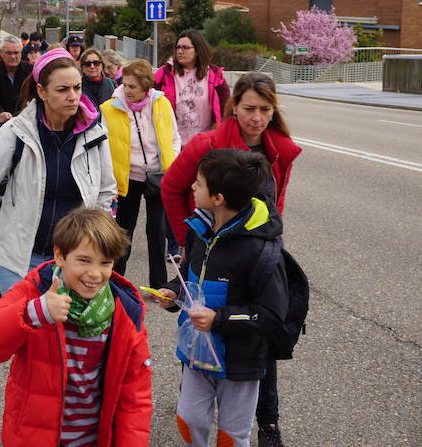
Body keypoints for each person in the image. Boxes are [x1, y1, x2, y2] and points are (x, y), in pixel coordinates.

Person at [161, 72, 301, 447]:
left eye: (265, 109)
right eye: (249, 108)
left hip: (252, 245)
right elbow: (173, 188)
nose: (257, 117)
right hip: (211, 240)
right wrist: (189, 239)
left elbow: (275, 203)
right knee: (202, 339)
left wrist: (268, 235)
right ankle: (197, 393)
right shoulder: (209, 148)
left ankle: (267, 421)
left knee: (254, 350)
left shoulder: (277, 148)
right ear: (234, 107)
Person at [0, 208, 152, 447]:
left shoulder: (124, 313)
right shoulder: (35, 291)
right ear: (60, 255)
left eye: (105, 263)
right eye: (84, 260)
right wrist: (36, 312)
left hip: (92, 439)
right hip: (33, 436)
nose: (95, 274)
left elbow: (135, 395)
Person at [0, 48, 115, 293]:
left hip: (75, 263)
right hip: (18, 262)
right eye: (63, 89)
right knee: (24, 330)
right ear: (41, 91)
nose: (73, 97)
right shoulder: (16, 133)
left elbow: (106, 191)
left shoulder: (94, 133)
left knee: (66, 331)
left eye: (77, 87)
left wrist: (97, 246)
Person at [155, 150, 288, 447]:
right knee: (189, 419)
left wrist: (219, 319)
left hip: (241, 359)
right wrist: (174, 292)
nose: (192, 187)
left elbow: (271, 314)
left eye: (198, 184)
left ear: (218, 198)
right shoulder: (199, 229)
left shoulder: (261, 250)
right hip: (197, 351)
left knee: (232, 434)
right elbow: (189, 274)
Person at [100, 58, 181, 288]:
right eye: (125, 85)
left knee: (157, 232)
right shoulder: (110, 108)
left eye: (133, 86)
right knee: (124, 231)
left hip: (158, 175)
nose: (127, 90)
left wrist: (171, 164)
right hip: (127, 179)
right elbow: (103, 146)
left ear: (146, 86)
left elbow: (175, 138)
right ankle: (116, 282)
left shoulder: (161, 104)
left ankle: (158, 286)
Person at [154, 30, 231, 146]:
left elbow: (226, 107)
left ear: (198, 51)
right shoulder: (164, 74)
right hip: (173, 144)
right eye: (177, 47)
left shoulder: (214, 75)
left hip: (206, 144)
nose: (180, 51)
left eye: (185, 47)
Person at [0, 35, 33, 125]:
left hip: (26, 120)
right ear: (1, 53)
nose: (13, 56)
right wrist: (0, 112)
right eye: (9, 53)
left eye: (16, 53)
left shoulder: (30, 70)